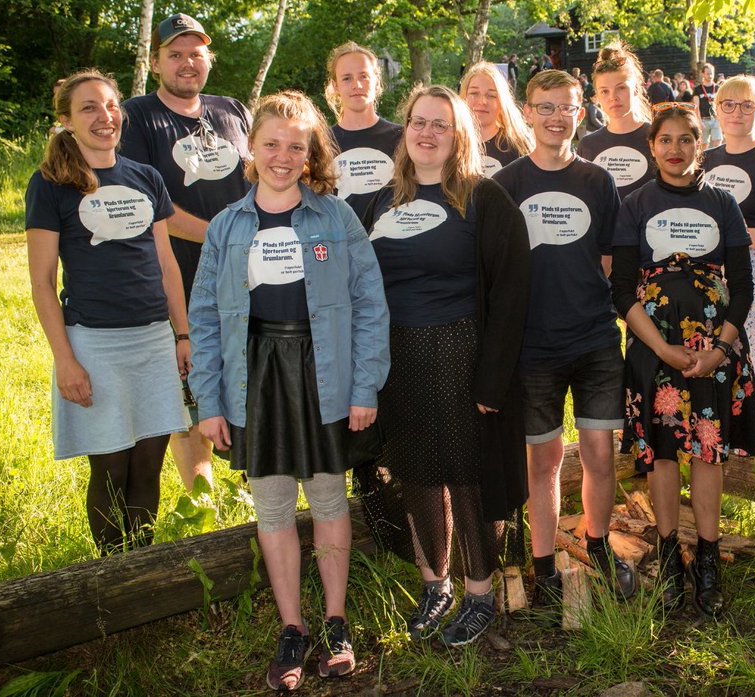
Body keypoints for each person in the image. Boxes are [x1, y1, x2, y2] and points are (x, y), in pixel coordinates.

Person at [189, 91, 389, 690]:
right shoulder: (226, 227)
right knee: (273, 506)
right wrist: (210, 399)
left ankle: (334, 620)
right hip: (254, 374)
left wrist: (364, 386)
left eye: (295, 147)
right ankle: (292, 627)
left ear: (310, 154)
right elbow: (203, 316)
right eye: (271, 144)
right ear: (250, 147)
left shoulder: (336, 218)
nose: (281, 156)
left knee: (328, 500)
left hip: (322, 370)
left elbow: (368, 305)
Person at [361, 85, 530, 647]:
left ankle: (480, 593)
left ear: (459, 135)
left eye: (441, 124)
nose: (427, 133)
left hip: (463, 353)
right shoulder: (382, 202)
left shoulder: (484, 199)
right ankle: (436, 585)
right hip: (398, 356)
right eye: (418, 122)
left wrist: (494, 378)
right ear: (404, 130)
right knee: (417, 473)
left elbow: (512, 292)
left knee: (468, 475)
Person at [611, 102, 755, 617]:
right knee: (659, 451)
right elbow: (620, 289)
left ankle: (706, 558)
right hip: (654, 350)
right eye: (665, 140)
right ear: (651, 146)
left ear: (700, 145)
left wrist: (720, 348)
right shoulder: (634, 204)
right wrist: (661, 348)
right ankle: (667, 555)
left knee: (706, 450)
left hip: (712, 350)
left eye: (686, 140)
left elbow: (741, 288)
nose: (676, 150)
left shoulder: (723, 203)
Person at [26, 70, 191, 557]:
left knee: (148, 465)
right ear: (67, 122)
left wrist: (182, 336)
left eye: (112, 105)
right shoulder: (51, 184)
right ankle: (110, 573)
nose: (105, 117)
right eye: (89, 108)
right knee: (111, 468)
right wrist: (65, 359)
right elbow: (41, 283)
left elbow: (167, 266)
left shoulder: (146, 177)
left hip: (154, 343)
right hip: (94, 346)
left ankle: (140, 563)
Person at [491, 70, 637, 612]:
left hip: (595, 338)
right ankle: (545, 563)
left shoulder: (599, 181)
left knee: (601, 452)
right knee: (544, 460)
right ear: (527, 113)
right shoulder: (505, 185)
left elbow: (609, 259)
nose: (556, 117)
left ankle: (598, 546)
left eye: (567, 107)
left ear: (583, 113)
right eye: (545, 107)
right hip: (533, 346)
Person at [120, 13, 251, 493]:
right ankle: (202, 501)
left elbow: (258, 180)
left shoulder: (232, 109)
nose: (187, 63)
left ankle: (253, 489)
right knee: (189, 393)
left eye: (196, 53)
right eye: (175, 54)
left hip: (246, 275)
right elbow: (149, 207)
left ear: (208, 59)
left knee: (247, 377)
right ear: (156, 62)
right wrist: (224, 236)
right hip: (178, 277)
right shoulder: (137, 117)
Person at [703, 75, 755, 433]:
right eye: (728, 104)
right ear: (716, 110)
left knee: (754, 362)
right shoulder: (703, 160)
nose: (737, 112)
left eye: (747, 105)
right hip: (708, 274)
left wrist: (734, 237)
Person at [325, 42, 404, 222]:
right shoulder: (321, 142)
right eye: (347, 78)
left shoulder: (402, 138)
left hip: (391, 246)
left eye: (364, 76)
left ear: (376, 81)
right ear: (335, 85)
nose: (357, 85)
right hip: (341, 245)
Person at [577, 42, 656, 199]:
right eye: (605, 91)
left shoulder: (658, 137)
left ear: (635, 89)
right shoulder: (588, 145)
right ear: (597, 96)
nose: (613, 97)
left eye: (621, 88)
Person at [460, 62, 533, 176]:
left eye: (491, 95)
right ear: (464, 97)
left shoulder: (519, 147)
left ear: (501, 101)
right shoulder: (451, 144)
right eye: (474, 93)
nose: (482, 101)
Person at [692, 63, 723, 148]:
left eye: (711, 73)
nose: (710, 76)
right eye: (708, 73)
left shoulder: (718, 88)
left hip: (716, 119)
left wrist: (721, 119)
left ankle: (717, 161)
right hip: (703, 120)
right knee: (704, 146)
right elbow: (696, 106)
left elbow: (721, 104)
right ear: (703, 74)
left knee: (717, 144)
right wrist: (699, 121)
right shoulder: (698, 89)